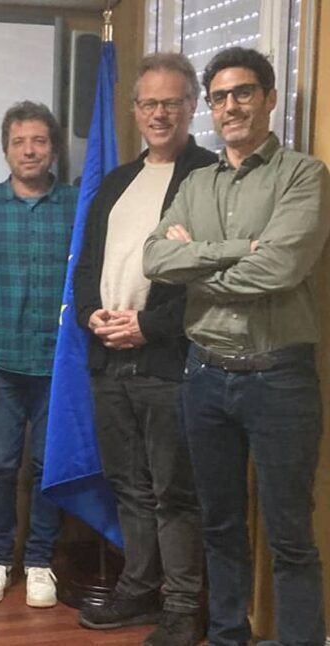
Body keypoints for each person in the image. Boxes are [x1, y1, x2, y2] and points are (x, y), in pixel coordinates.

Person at [143, 47, 328, 646]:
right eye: (219, 97)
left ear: (268, 98)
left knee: (289, 534)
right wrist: (236, 250)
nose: (231, 106)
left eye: (243, 92)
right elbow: (155, 259)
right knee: (219, 525)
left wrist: (196, 264)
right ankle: (227, 637)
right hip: (204, 375)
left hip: (279, 378)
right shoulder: (197, 181)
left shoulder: (303, 175)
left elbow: (281, 267)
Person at [74, 52, 215, 645]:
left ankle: (183, 608)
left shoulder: (209, 178)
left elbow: (211, 282)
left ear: (191, 107)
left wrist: (148, 327)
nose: (160, 113)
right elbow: (87, 266)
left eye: (171, 102)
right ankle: (139, 589)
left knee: (174, 491)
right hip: (109, 360)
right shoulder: (115, 182)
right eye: (149, 103)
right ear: (133, 111)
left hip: (168, 363)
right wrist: (92, 315)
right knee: (129, 485)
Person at [0, 101, 76, 609]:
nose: (29, 151)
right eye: (19, 142)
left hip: (58, 367)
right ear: (5, 149)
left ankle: (41, 562)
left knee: (49, 466)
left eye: (39, 141)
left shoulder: (78, 205)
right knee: (1, 466)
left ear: (53, 148)